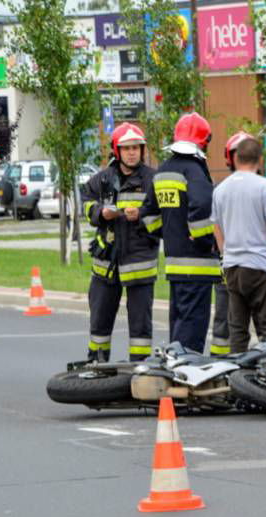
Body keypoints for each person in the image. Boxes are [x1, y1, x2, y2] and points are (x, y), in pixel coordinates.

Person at [141, 112, 220, 353]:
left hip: (174, 264)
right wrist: (208, 241)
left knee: (178, 324)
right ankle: (184, 380)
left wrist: (169, 234)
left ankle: (174, 377)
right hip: (197, 266)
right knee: (192, 331)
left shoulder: (162, 170)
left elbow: (149, 214)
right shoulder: (195, 171)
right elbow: (202, 209)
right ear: (202, 142)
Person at [81, 123, 158, 362]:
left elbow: (163, 216)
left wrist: (142, 217)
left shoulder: (153, 180)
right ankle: (98, 364)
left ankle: (140, 370)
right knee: (100, 321)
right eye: (126, 148)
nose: (132, 152)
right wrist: (99, 213)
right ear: (117, 151)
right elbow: (85, 202)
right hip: (106, 264)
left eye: (136, 147)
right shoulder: (103, 179)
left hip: (139, 263)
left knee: (140, 327)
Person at [211, 137, 266, 353]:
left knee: (237, 330)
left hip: (233, 269)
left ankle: (238, 377)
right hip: (261, 268)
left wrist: (225, 254)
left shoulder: (220, 190)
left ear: (235, 158)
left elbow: (216, 227)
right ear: (260, 159)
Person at [208, 130, 255, 357]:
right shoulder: (223, 191)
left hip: (246, 267)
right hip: (239, 267)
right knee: (227, 321)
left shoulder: (222, 190)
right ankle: (223, 363)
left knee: (257, 322)